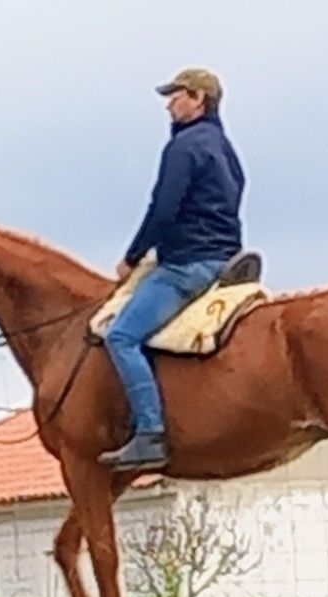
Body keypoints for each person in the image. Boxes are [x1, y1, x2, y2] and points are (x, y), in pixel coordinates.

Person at [99, 67, 246, 471]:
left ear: (198, 99)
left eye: (176, 95)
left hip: (188, 264)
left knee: (121, 336)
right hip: (225, 259)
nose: (169, 103)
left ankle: (150, 431)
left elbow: (163, 209)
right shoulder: (224, 147)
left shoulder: (183, 149)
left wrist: (132, 256)